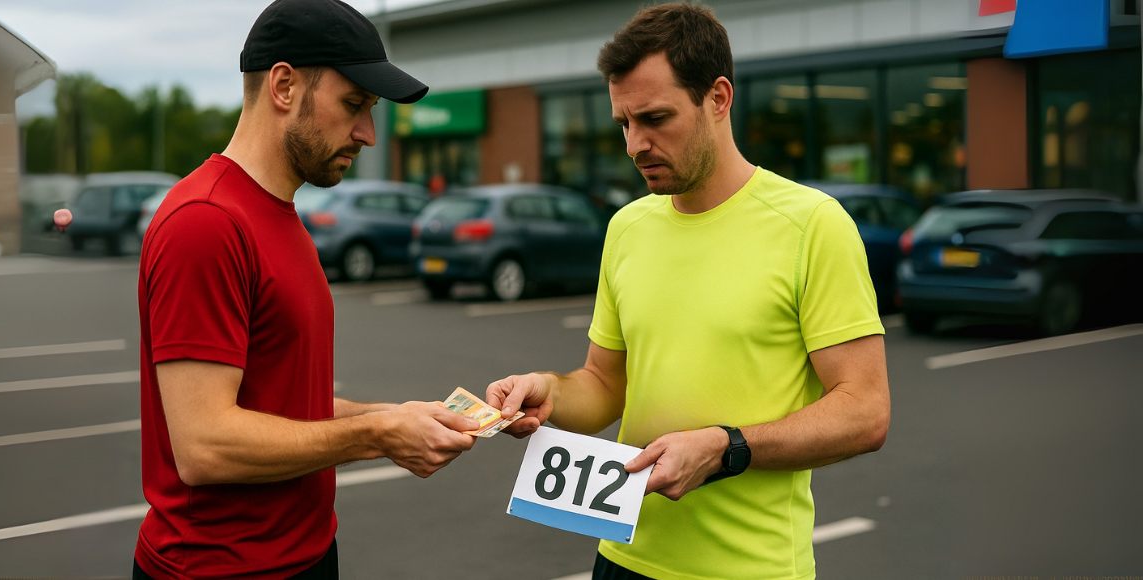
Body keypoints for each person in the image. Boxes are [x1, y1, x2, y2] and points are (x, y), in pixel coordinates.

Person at [486, 4, 890, 579]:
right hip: (620, 557)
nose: (635, 145)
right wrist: (549, 391)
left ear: (718, 98)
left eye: (655, 118)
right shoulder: (627, 227)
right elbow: (605, 383)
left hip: (750, 569)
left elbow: (866, 412)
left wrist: (726, 447)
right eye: (624, 123)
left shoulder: (812, 226)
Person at [133, 1, 479, 578]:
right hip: (221, 569)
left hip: (307, 555)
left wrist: (399, 418)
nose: (368, 133)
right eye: (354, 105)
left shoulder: (279, 213)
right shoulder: (206, 221)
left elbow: (283, 407)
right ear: (285, 86)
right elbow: (204, 445)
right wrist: (374, 433)